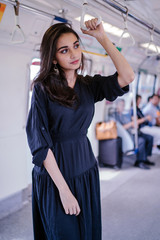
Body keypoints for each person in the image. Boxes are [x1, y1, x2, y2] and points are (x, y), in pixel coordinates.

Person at [26, 19, 134, 240]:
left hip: (85, 169)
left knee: (87, 233)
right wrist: (64, 192)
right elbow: (40, 144)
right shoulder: (42, 89)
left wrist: (102, 37)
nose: (74, 54)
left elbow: (127, 76)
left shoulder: (88, 86)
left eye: (76, 45)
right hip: (56, 175)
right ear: (53, 57)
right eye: (64, 50)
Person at [115, 99, 154, 169]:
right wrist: (131, 124)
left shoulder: (125, 115)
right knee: (141, 141)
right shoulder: (115, 116)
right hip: (127, 136)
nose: (123, 107)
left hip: (133, 132)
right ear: (116, 106)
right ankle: (139, 162)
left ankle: (145, 158)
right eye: (121, 105)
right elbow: (120, 128)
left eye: (123, 105)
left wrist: (134, 123)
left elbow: (132, 122)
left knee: (149, 138)